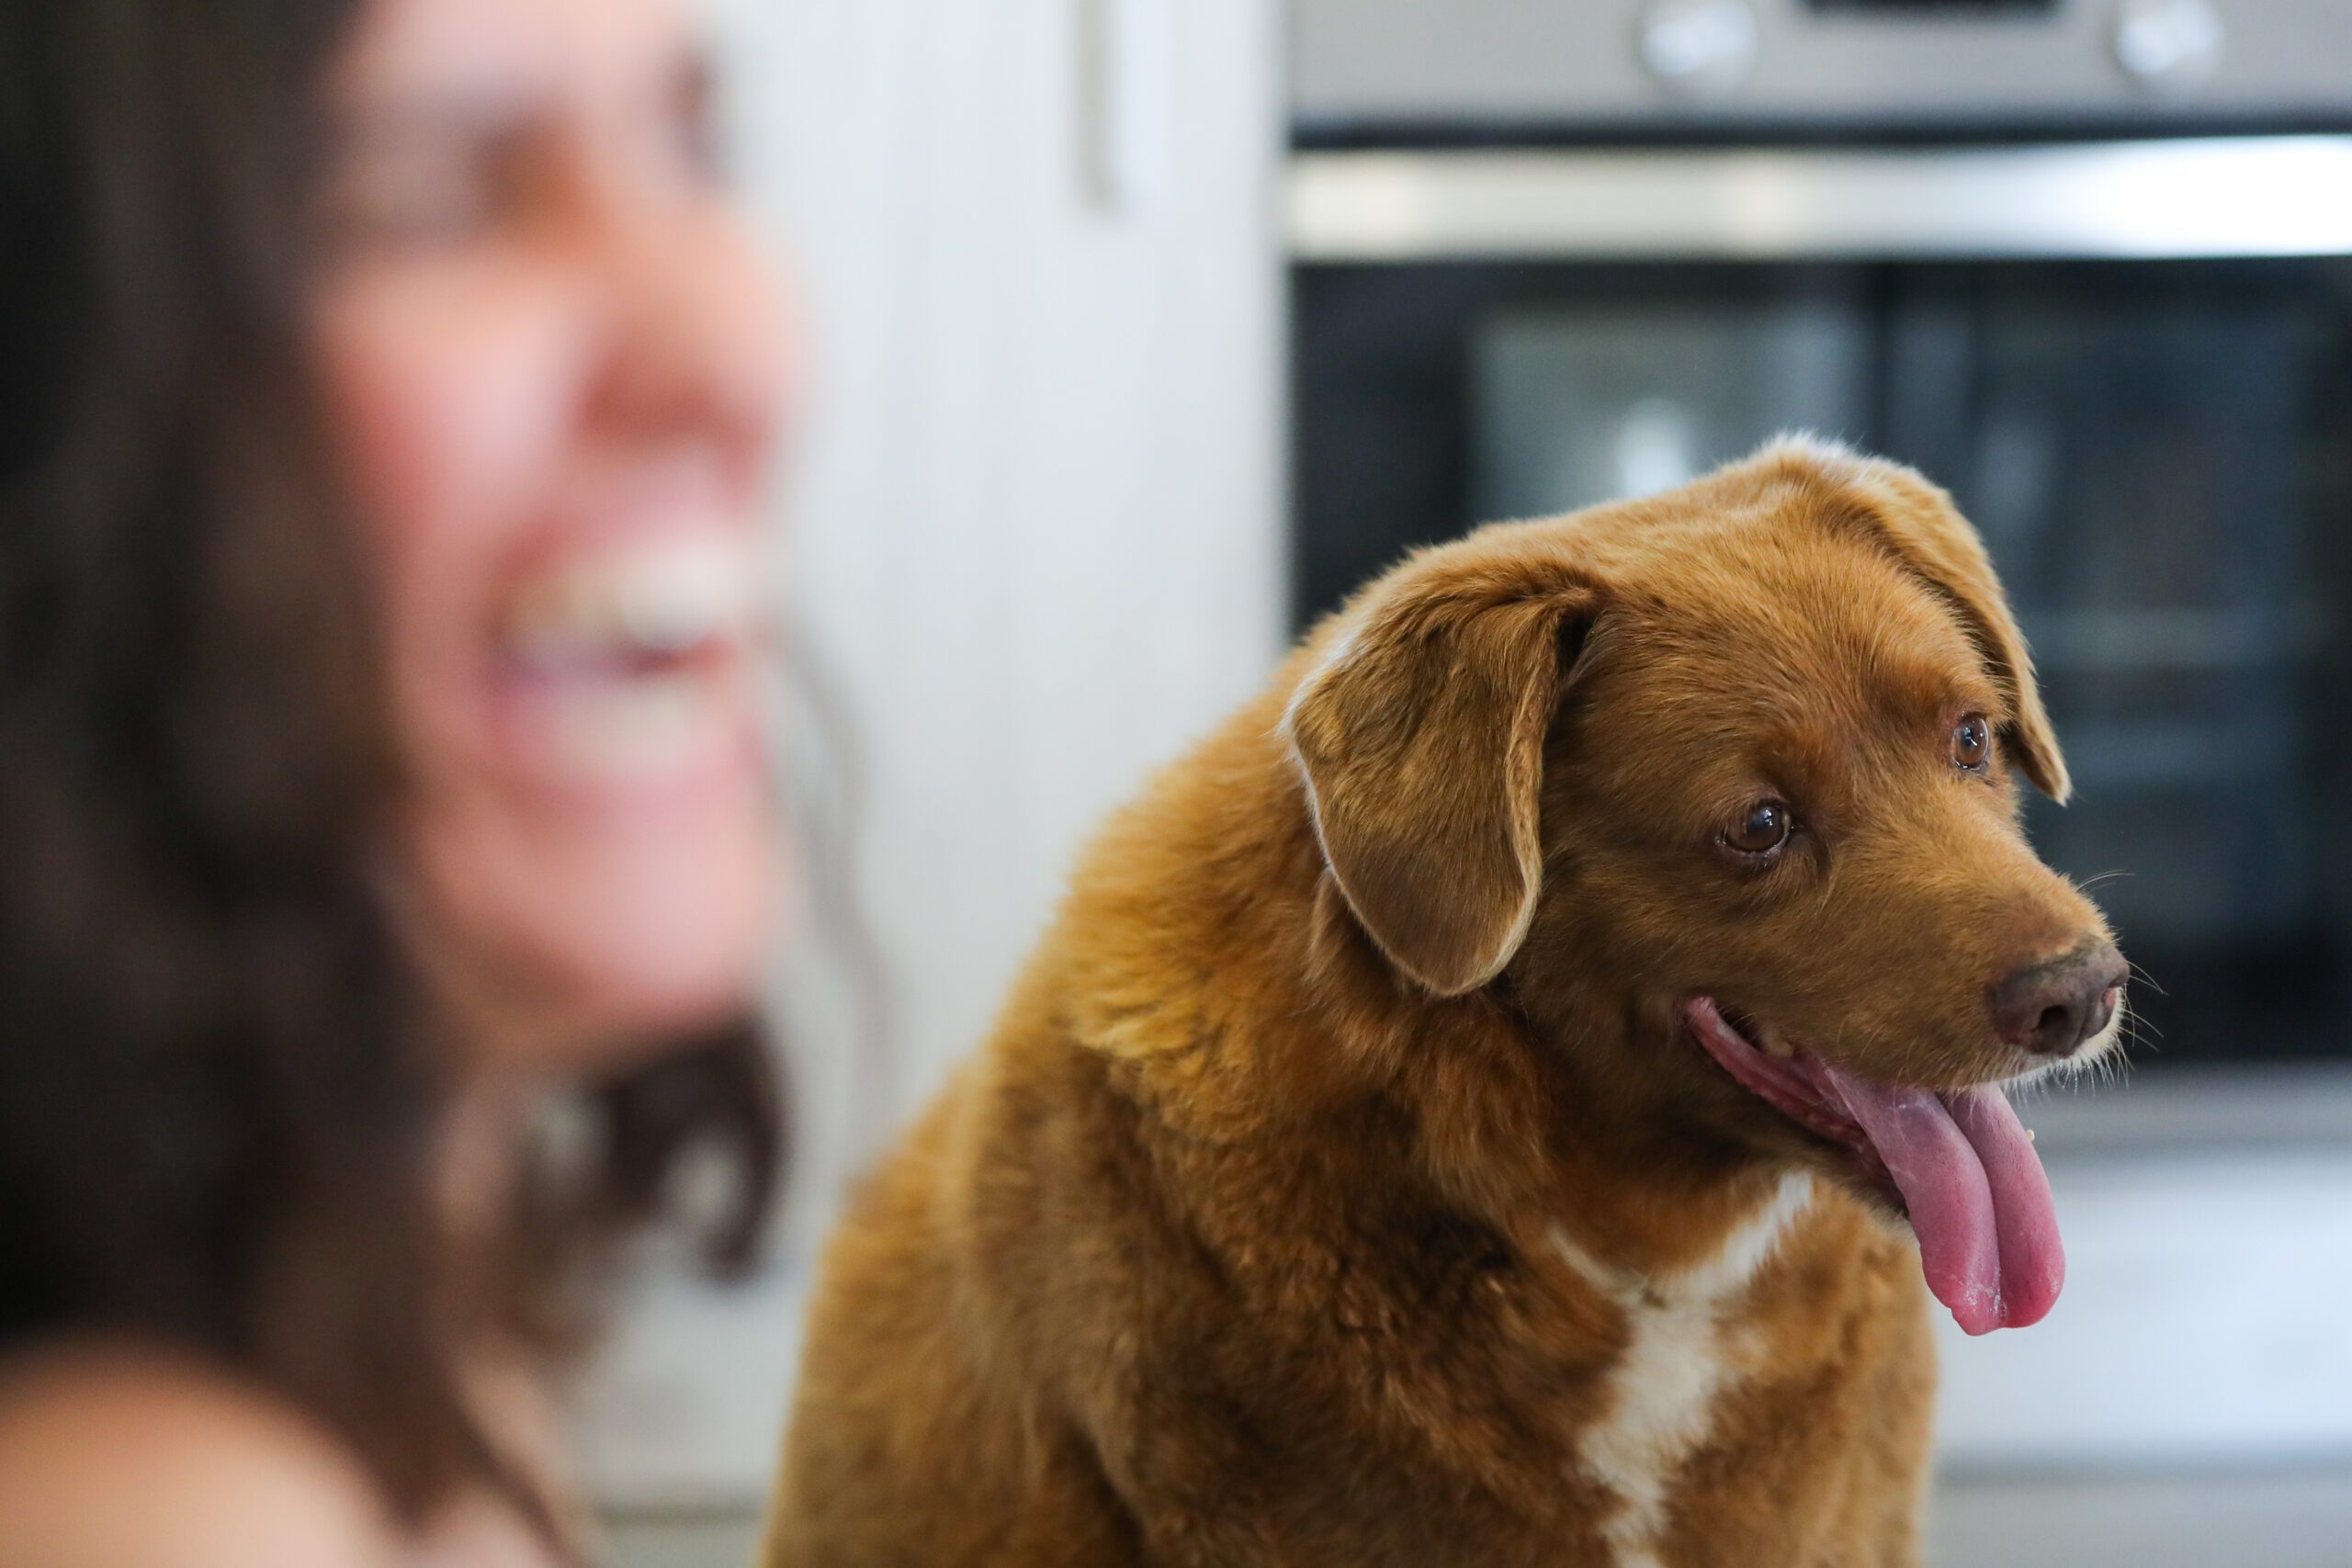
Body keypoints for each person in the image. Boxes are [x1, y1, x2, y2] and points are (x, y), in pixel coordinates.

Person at [0, 0, 795, 1561]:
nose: (734, 343)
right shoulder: (161, 1514)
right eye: (424, 196)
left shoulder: (386, 1363)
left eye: (687, 144)